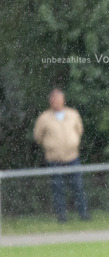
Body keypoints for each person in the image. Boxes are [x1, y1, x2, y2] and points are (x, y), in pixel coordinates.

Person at [33, 88, 90, 222]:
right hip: (54, 159)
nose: (56, 102)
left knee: (78, 187)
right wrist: (51, 146)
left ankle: (84, 215)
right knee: (58, 189)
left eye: (58, 99)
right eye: (53, 99)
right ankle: (62, 217)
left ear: (63, 100)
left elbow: (79, 131)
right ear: (50, 102)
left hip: (72, 157)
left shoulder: (73, 114)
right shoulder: (44, 118)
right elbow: (38, 136)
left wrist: (72, 143)